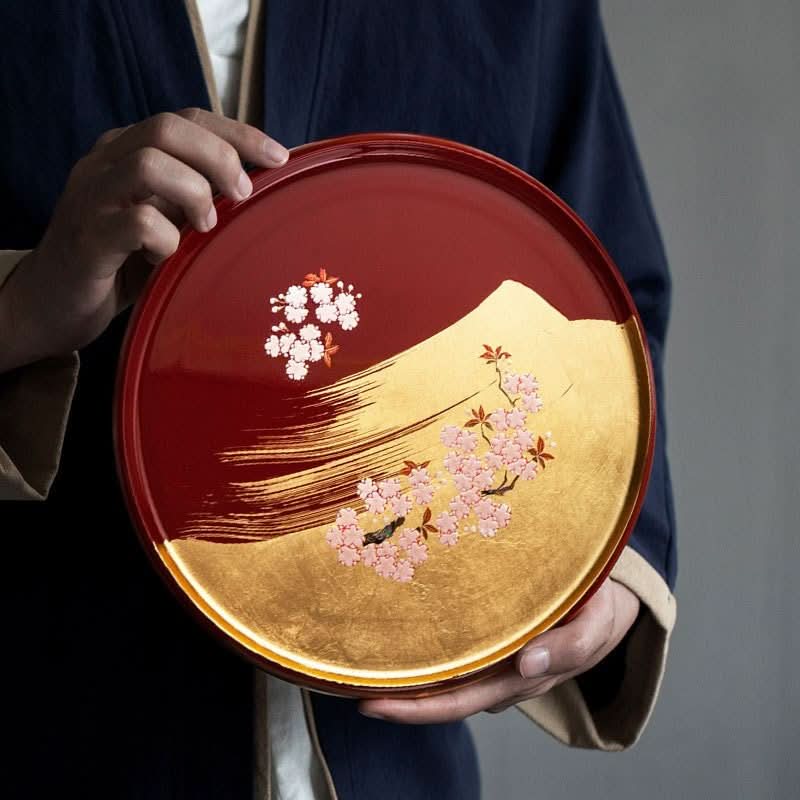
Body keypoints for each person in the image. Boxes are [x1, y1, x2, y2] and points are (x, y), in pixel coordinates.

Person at [0, 2, 677, 798]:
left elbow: (605, 292)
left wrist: (614, 561)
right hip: (52, 728)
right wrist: (23, 308)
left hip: (390, 764)